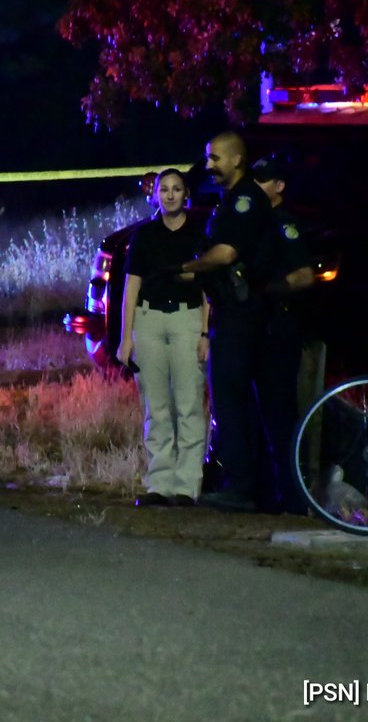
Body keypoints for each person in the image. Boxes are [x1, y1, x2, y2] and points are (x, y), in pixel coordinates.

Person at [179, 132, 274, 513]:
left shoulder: (245, 201)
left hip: (242, 314)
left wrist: (187, 268)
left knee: (230, 398)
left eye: (216, 158)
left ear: (237, 160)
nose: (209, 166)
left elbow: (226, 253)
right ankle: (246, 482)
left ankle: (240, 486)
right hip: (234, 313)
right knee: (235, 398)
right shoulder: (231, 200)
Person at [116, 169, 209, 507]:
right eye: (164, 190)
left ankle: (187, 486)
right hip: (150, 319)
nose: (170, 195)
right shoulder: (144, 235)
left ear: (186, 194)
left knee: (188, 404)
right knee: (156, 406)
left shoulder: (200, 233)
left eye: (176, 189)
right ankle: (160, 484)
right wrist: (126, 337)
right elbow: (131, 287)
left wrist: (204, 332)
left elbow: (206, 289)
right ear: (154, 194)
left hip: (186, 319)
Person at [249, 156, 317, 513]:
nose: (256, 186)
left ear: (279, 186)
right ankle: (262, 494)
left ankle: (291, 497)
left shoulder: (284, 224)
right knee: (257, 413)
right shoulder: (252, 222)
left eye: (263, 181)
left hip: (279, 326)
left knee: (280, 414)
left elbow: (305, 274)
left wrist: (271, 288)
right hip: (256, 326)